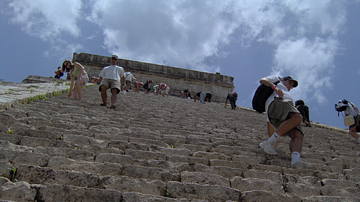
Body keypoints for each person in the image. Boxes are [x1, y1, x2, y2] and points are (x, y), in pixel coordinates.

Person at [258, 76, 307, 168]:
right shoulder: (277, 80)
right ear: (283, 80)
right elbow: (263, 80)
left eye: (293, 86)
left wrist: (272, 135)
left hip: (281, 113)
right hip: (278, 103)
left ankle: (295, 160)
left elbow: (269, 122)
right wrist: (275, 87)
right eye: (290, 83)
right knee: (298, 117)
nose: (291, 86)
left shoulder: (287, 93)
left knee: (298, 134)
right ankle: (270, 142)